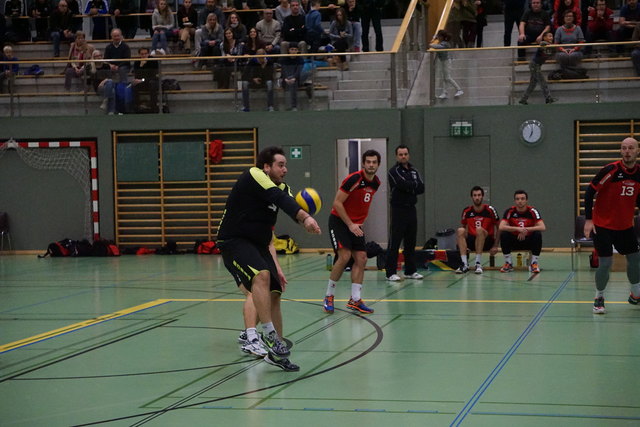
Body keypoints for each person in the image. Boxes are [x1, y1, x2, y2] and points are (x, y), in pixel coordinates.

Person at [217, 146, 321, 371]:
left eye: (285, 165)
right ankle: (269, 336)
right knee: (260, 276)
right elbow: (280, 199)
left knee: (275, 292)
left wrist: (277, 267)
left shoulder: (283, 188)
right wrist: (305, 218)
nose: (285, 169)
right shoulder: (254, 175)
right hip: (233, 241)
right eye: (280, 165)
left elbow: (282, 209)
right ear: (266, 167)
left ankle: (278, 354)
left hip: (258, 244)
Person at [584, 137, 640, 314]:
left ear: (637, 151)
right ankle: (599, 297)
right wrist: (588, 219)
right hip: (603, 225)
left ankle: (636, 294)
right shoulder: (611, 170)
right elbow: (589, 192)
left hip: (624, 226)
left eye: (631, 148)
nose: (627, 151)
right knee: (605, 263)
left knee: (635, 259)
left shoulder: (639, 172)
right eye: (624, 148)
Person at [323, 149, 381, 315]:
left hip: (356, 225)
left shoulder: (376, 182)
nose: (371, 165)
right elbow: (337, 203)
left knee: (362, 258)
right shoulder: (354, 179)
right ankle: (329, 296)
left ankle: (355, 299)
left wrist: (359, 223)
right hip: (339, 222)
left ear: (378, 164)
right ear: (363, 163)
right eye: (368, 162)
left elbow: (362, 203)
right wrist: (350, 224)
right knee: (345, 256)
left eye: (374, 162)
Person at [384, 145, 424, 282]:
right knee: (395, 242)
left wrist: (410, 186)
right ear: (397, 156)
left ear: (409, 155)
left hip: (411, 209)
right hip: (398, 210)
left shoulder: (414, 171)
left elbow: (421, 187)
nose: (403, 156)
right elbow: (400, 184)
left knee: (410, 241)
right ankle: (390, 272)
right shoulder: (393, 171)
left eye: (405, 154)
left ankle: (410, 271)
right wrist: (412, 186)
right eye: (401, 154)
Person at [498, 190, 546, 274]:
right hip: (514, 241)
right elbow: (501, 226)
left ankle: (534, 263)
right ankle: (508, 263)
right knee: (504, 234)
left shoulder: (533, 211)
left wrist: (525, 230)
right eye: (517, 199)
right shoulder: (510, 211)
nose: (520, 201)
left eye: (522, 199)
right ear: (515, 201)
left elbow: (542, 227)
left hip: (528, 240)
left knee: (537, 234)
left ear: (526, 200)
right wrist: (517, 229)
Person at [455, 186, 499, 274]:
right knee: (460, 230)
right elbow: (463, 227)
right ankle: (464, 264)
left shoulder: (490, 210)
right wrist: (462, 244)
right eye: (475, 195)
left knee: (479, 230)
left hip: (487, 241)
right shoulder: (467, 211)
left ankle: (478, 263)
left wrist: (495, 245)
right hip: (472, 240)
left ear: (482, 196)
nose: (477, 198)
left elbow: (499, 228)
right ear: (472, 197)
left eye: (479, 195)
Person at [519, 30, 556, 104]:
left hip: (538, 65)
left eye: (552, 36)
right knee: (542, 82)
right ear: (544, 37)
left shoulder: (552, 46)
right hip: (534, 65)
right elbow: (542, 44)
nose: (551, 38)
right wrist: (547, 45)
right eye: (549, 36)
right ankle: (548, 98)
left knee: (532, 84)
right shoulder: (543, 44)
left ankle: (523, 99)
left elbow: (553, 51)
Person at [430, 29, 464, 100]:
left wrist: (431, 44)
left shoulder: (445, 43)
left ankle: (459, 89)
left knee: (447, 77)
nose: (438, 38)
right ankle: (445, 93)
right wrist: (434, 39)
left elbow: (438, 47)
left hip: (446, 61)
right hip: (443, 61)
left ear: (442, 37)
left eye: (439, 36)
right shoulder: (441, 42)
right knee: (444, 77)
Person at [554, 9, 585, 75]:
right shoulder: (559, 29)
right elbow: (556, 43)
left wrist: (574, 49)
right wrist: (563, 50)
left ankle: (573, 73)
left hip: (576, 50)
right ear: (564, 18)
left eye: (570, 16)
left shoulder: (578, 28)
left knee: (572, 55)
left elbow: (581, 42)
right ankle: (565, 73)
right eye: (567, 16)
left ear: (573, 18)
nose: (568, 18)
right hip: (562, 51)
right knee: (563, 56)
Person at [88, 49, 117, 114]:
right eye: (97, 56)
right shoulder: (91, 67)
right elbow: (92, 80)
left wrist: (103, 82)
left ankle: (106, 101)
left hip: (106, 85)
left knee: (111, 88)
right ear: (93, 58)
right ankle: (111, 110)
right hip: (98, 87)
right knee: (112, 90)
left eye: (100, 56)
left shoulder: (106, 65)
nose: (99, 57)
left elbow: (110, 78)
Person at [132, 47, 160, 112]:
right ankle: (137, 108)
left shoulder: (153, 61)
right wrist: (141, 66)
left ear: (149, 54)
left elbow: (154, 76)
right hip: (141, 82)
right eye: (142, 54)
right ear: (139, 54)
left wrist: (143, 80)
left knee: (152, 84)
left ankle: (153, 108)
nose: (144, 55)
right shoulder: (137, 62)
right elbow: (136, 75)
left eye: (145, 54)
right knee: (134, 85)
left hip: (151, 81)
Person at [280, 42, 303, 110]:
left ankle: (294, 106)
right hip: (285, 79)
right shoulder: (284, 59)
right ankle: (288, 106)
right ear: (289, 50)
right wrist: (286, 79)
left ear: (298, 51)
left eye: (295, 50)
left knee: (294, 84)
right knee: (289, 84)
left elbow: (299, 71)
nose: (293, 51)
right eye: (292, 49)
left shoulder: (300, 59)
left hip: (296, 80)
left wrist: (294, 78)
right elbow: (283, 71)